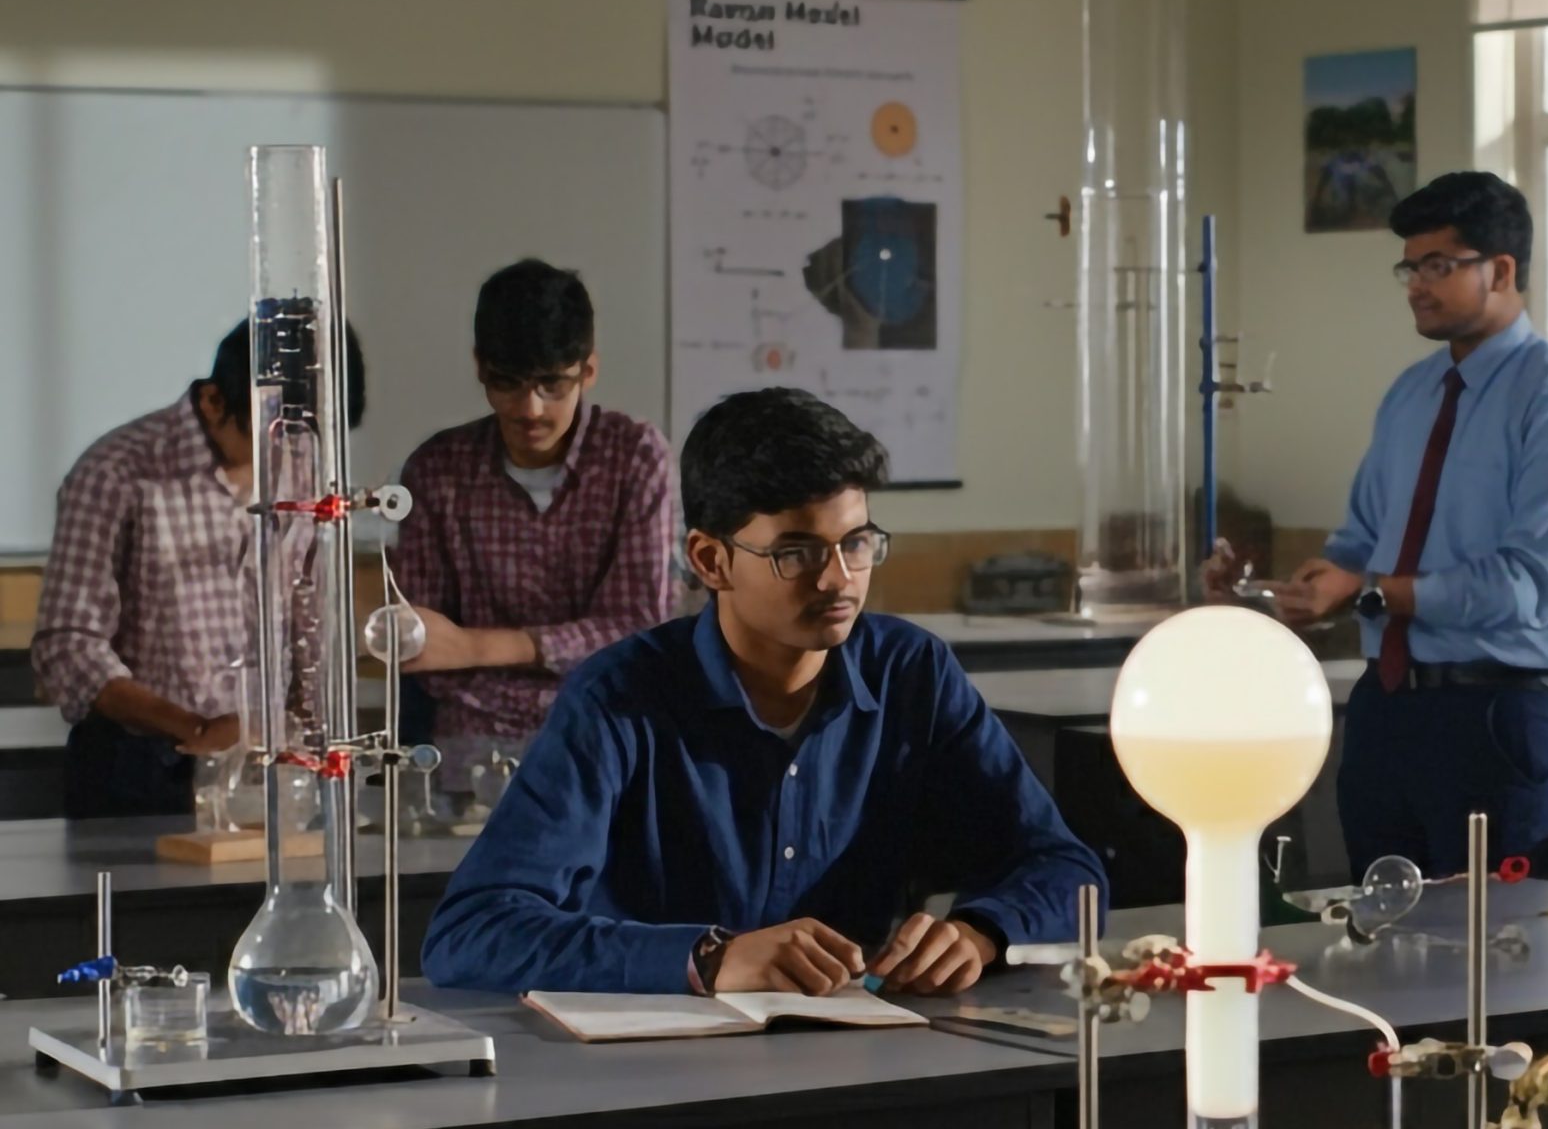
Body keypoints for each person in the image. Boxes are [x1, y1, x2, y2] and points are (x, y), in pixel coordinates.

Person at [421, 387, 1104, 996]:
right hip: (653, 1084)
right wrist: (708, 959)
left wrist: (982, 931)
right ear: (710, 560)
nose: (839, 580)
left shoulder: (910, 672)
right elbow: (471, 934)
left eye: (857, 543)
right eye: (797, 553)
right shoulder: (617, 699)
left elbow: (1068, 872)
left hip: (864, 1064)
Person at [1210, 170, 1548, 878]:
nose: (1417, 285)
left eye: (1439, 265)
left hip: (1499, 713)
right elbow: (1360, 546)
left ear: (1500, 270)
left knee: (1493, 950)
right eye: (1411, 266)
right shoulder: (1412, 394)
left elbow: (1528, 586)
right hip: (1388, 710)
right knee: (1381, 939)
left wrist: (1367, 592)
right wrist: (1286, 595)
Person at [35, 320, 366, 819]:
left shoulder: (303, 469)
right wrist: (194, 728)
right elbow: (68, 644)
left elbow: (309, 621)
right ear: (214, 401)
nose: (289, 452)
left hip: (269, 766)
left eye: (306, 435)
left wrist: (314, 741)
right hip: (141, 766)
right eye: (273, 434)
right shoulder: (115, 472)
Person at [391, 260, 676, 749]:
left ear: (588, 370)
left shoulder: (635, 456)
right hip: (469, 744)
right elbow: (426, 648)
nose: (531, 408)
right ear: (480, 367)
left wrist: (476, 646)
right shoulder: (437, 469)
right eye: (508, 382)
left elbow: (638, 630)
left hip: (603, 731)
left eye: (553, 384)